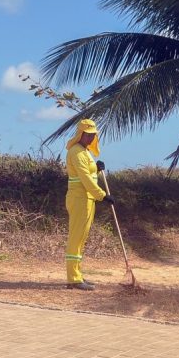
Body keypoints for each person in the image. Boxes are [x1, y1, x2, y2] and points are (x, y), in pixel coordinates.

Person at [64, 118, 114, 290]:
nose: (92, 138)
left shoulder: (85, 152)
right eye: (88, 135)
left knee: (81, 238)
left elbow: (90, 173)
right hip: (79, 199)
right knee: (76, 239)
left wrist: (98, 169)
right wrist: (103, 195)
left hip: (87, 199)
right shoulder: (76, 152)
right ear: (81, 134)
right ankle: (74, 279)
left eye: (94, 135)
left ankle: (77, 276)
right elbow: (85, 178)